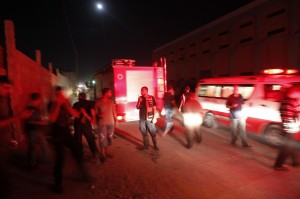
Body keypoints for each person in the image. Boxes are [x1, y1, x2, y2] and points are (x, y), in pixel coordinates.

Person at [48, 86, 94, 194]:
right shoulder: (52, 104)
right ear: (56, 95)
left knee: (77, 151)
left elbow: (74, 114)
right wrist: (59, 104)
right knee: (60, 159)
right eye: (59, 94)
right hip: (57, 133)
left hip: (66, 132)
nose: (61, 96)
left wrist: (79, 112)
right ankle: (57, 184)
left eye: (62, 94)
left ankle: (84, 175)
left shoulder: (65, 104)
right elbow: (52, 119)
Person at [0, 76, 33, 199]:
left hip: (3, 144)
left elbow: (7, 121)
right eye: (5, 88)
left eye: (10, 88)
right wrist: (19, 117)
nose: (9, 91)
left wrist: (11, 138)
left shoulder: (5, 100)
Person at [273, 85, 300, 170]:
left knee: (289, 144)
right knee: (286, 147)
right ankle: (278, 165)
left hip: (286, 125)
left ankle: (295, 162)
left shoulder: (284, 101)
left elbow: (282, 113)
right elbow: (298, 114)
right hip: (292, 127)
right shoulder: (293, 102)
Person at [24, 92, 49, 169]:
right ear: (37, 99)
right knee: (32, 148)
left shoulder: (36, 108)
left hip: (37, 129)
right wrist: (40, 122)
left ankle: (42, 160)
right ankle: (31, 164)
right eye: (40, 99)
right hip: (32, 130)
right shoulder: (30, 108)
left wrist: (42, 120)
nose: (41, 101)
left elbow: (35, 118)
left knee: (42, 145)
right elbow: (28, 121)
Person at [72, 92, 99, 160]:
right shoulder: (90, 103)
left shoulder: (76, 104)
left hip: (78, 124)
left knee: (78, 140)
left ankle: (79, 155)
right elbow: (93, 111)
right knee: (90, 139)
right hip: (86, 124)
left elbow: (73, 114)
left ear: (79, 97)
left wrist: (81, 113)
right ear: (85, 96)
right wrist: (93, 120)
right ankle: (95, 153)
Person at [94, 88, 118, 162]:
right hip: (102, 123)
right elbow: (95, 113)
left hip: (111, 123)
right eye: (110, 92)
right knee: (102, 139)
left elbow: (114, 111)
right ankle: (103, 155)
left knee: (109, 138)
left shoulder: (111, 102)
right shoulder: (98, 103)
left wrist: (116, 120)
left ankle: (107, 152)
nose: (111, 93)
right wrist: (99, 115)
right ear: (106, 93)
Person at [136, 86, 159, 150]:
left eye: (142, 90)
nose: (141, 92)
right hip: (142, 118)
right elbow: (137, 107)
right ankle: (146, 146)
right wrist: (139, 101)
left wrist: (154, 117)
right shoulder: (140, 98)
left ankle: (155, 145)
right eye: (141, 90)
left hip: (149, 118)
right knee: (144, 133)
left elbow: (154, 108)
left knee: (153, 132)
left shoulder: (151, 97)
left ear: (146, 91)